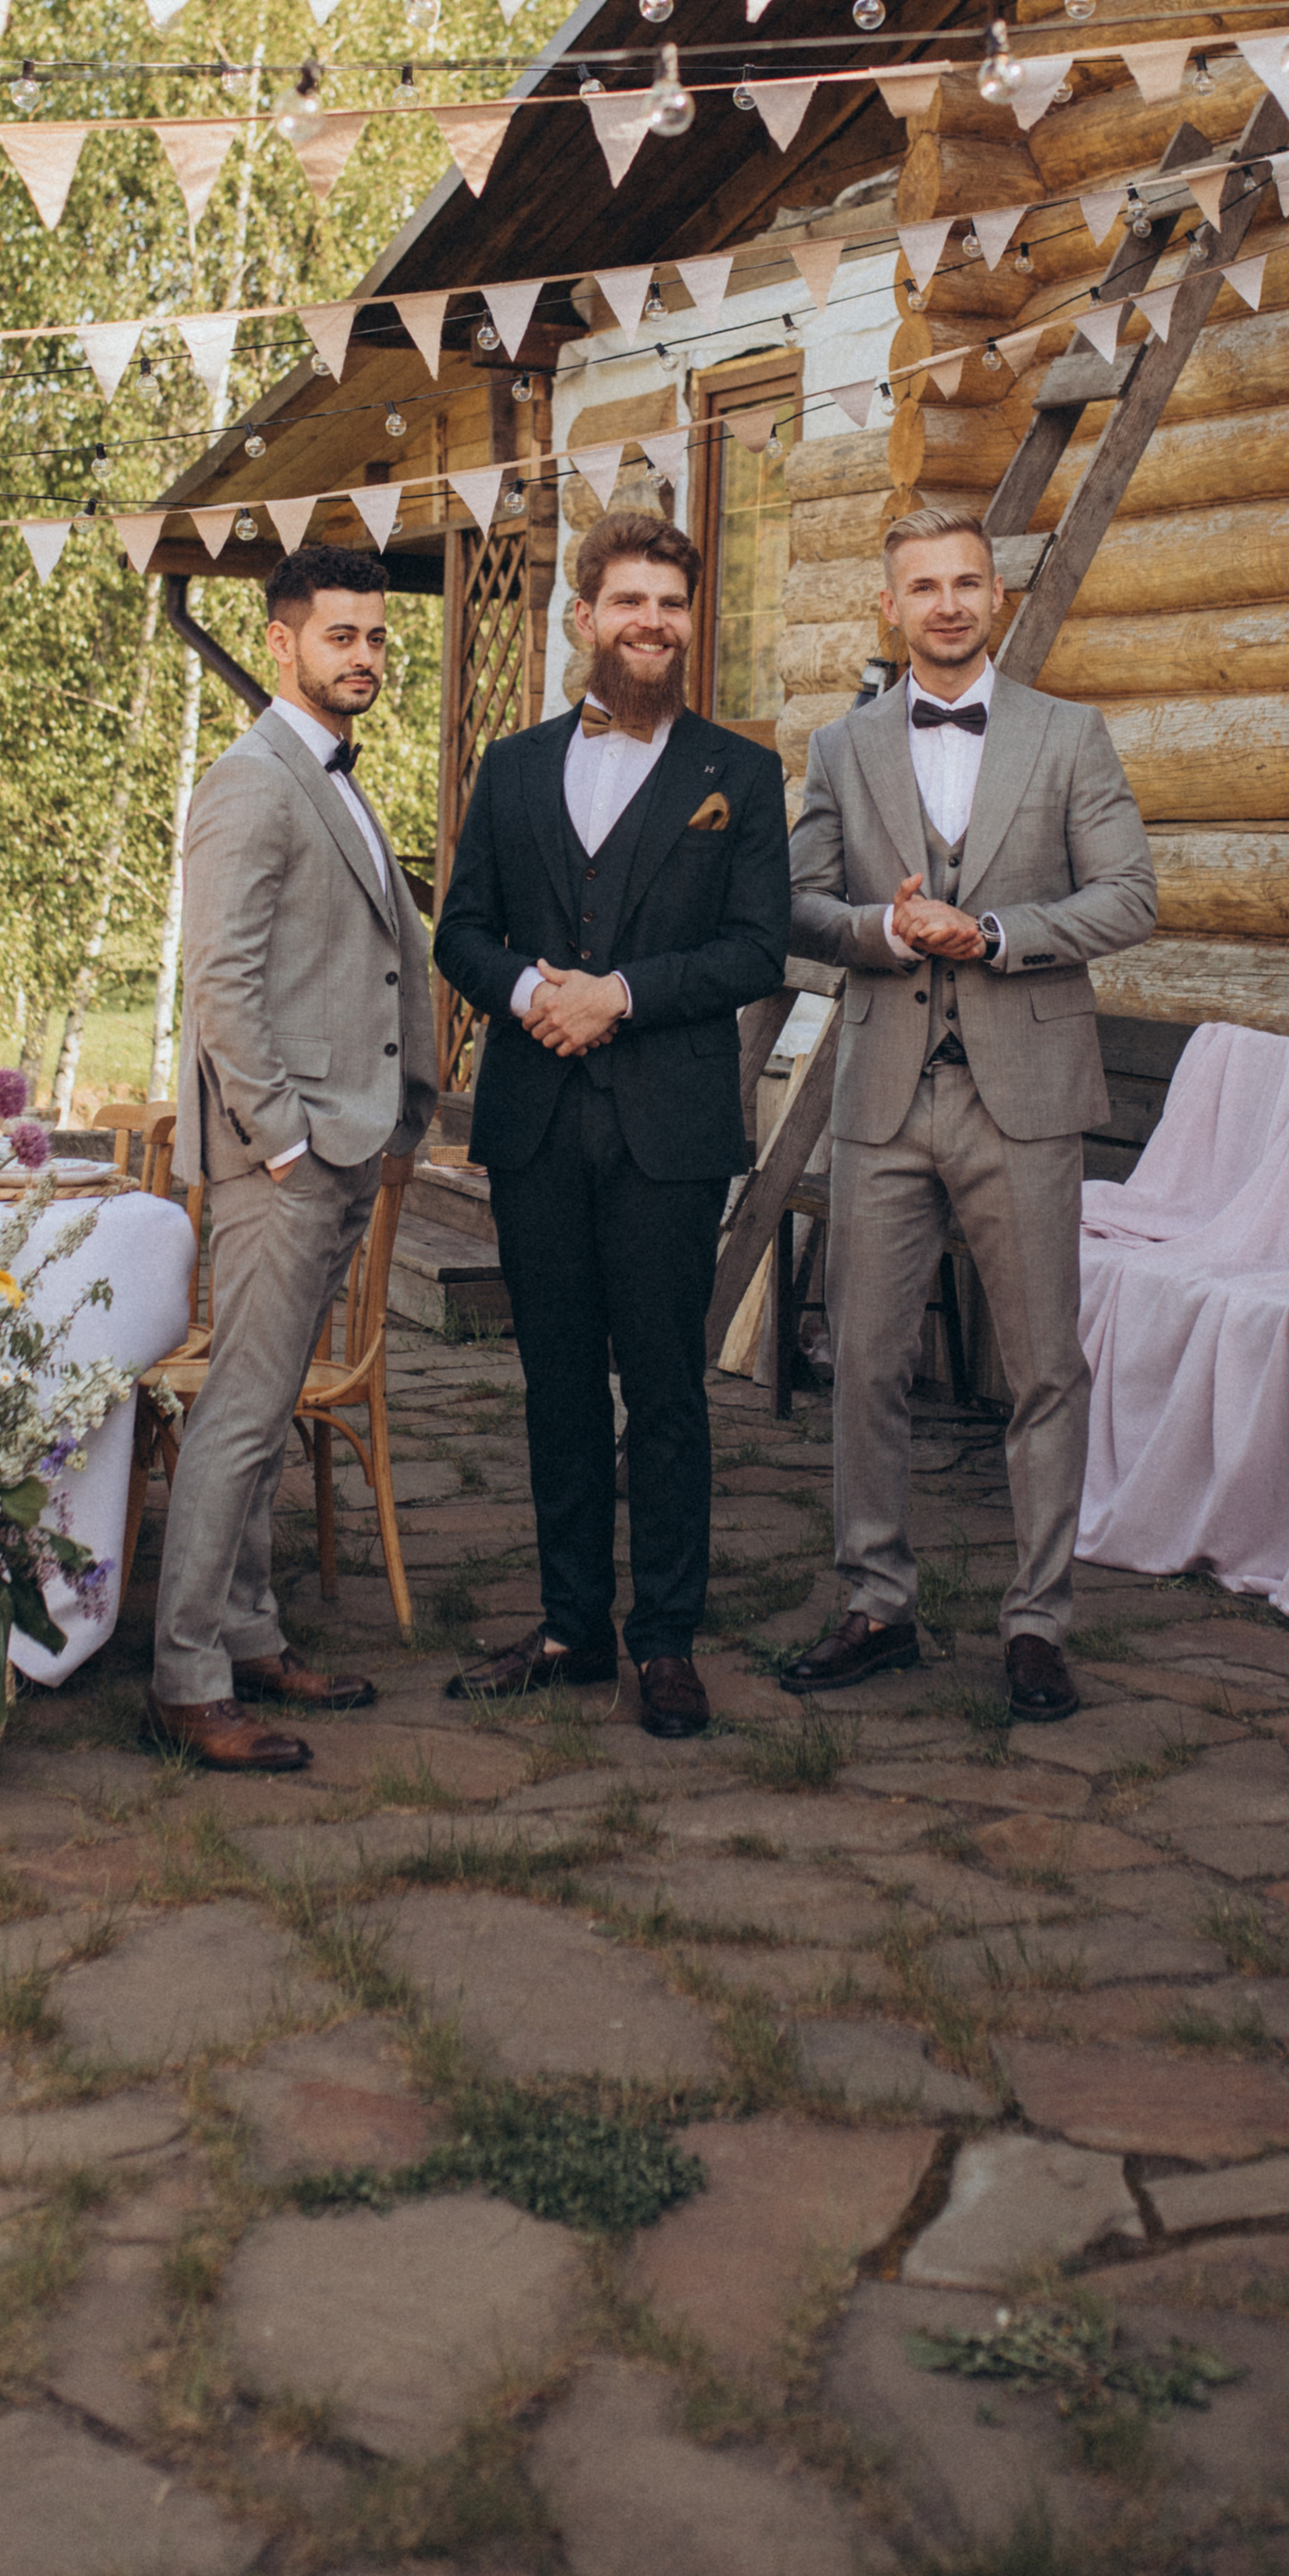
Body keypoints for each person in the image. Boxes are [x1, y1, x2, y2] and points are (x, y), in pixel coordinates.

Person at [782, 506, 1156, 1720]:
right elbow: (794, 903)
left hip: (1025, 1094)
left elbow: (1128, 896)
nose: (945, 604)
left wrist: (991, 933)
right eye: (922, 586)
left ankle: (1037, 1622)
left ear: (994, 597)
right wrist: (884, 931)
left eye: (964, 583)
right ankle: (875, 1602)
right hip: (884, 1092)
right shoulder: (841, 748)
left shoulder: (1068, 734)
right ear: (889, 607)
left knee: (1043, 1367)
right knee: (864, 1362)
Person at [433, 509, 790, 1738]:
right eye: (629, 601)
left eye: (671, 604)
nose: (652, 623)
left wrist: (620, 996)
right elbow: (461, 932)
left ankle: (667, 1641)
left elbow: (754, 949)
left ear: (690, 623)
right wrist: (532, 995)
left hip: (667, 1129)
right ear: (583, 617)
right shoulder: (512, 766)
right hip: (535, 1121)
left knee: (668, 1389)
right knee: (557, 1386)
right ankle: (570, 1626)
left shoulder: (739, 775)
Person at [151, 544, 440, 1771]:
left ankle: (251, 1633)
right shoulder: (251, 781)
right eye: (340, 636)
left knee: (268, 1417)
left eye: (375, 636)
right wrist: (281, 1143)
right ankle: (185, 1680)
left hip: (344, 1139)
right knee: (239, 1414)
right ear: (282, 643)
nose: (364, 656)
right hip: (287, 1154)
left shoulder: (332, 774)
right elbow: (219, 983)